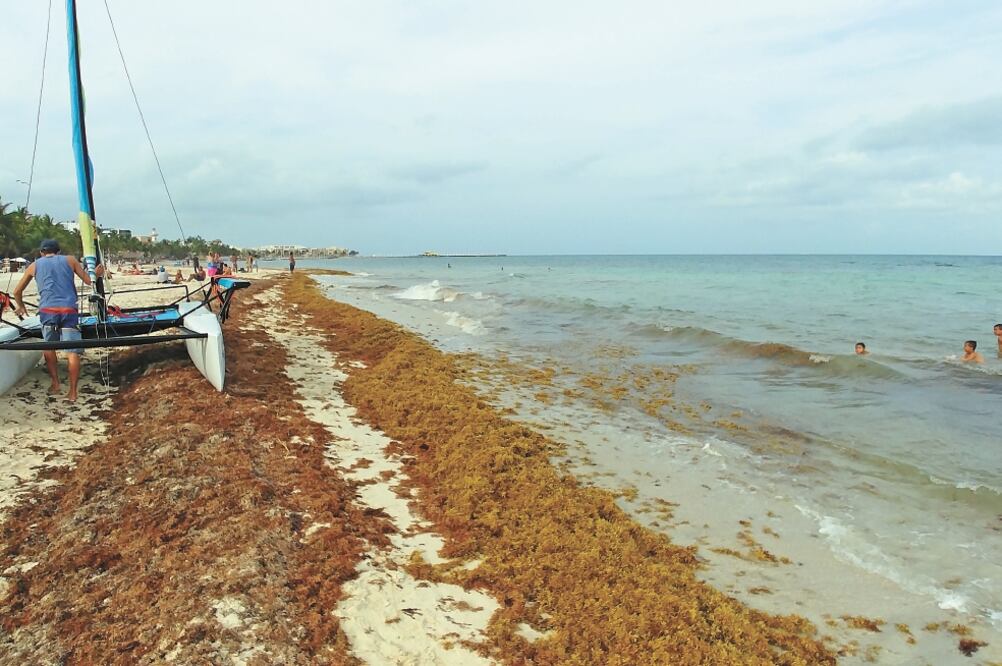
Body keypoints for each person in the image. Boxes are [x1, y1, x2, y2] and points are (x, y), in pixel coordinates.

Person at [12, 239, 104, 402]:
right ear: (58, 251)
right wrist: (96, 274)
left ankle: (55, 384)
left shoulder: (34, 265)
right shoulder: (70, 260)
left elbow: (17, 291)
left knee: (49, 348)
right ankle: (73, 392)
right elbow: (88, 281)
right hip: (69, 310)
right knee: (72, 351)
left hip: (48, 311)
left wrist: (20, 306)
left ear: (41, 252)